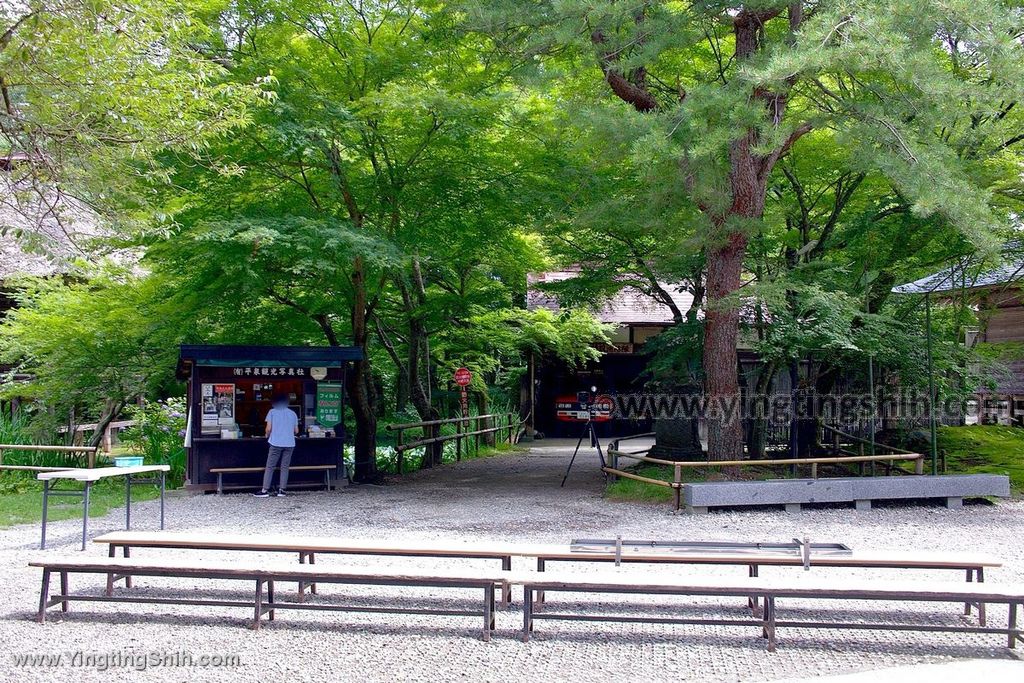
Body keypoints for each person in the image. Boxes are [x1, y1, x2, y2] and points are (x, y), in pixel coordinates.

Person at [253, 393, 299, 498]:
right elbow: (296, 431)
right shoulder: (293, 413)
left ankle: (265, 490)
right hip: (290, 443)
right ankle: (281, 490)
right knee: (284, 467)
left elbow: (268, 428)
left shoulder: (272, 412)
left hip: (276, 442)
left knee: (270, 466)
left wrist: (267, 435)